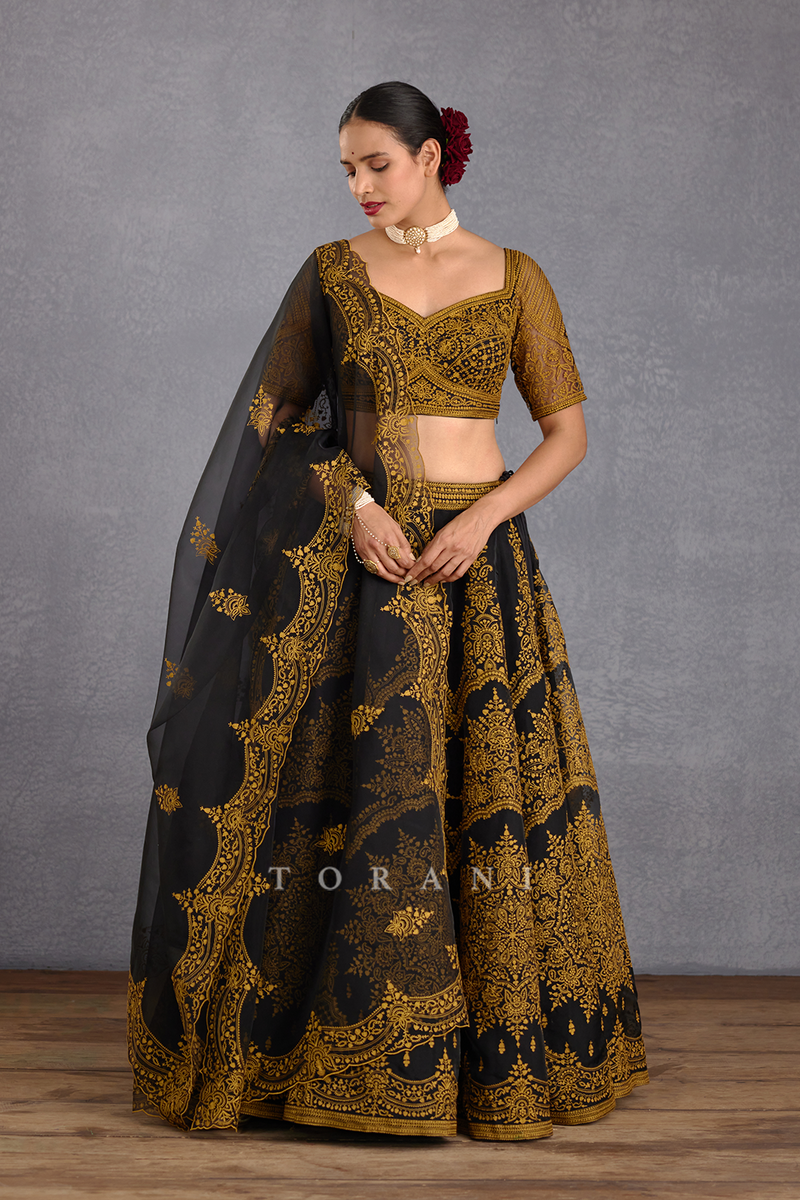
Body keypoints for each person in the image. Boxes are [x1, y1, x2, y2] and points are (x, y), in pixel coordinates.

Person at [128, 81, 648, 1141]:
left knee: (479, 794)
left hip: (474, 567)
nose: (360, 186)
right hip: (362, 567)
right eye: (347, 170)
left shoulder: (513, 276)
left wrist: (486, 517)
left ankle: (481, 1071)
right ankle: (316, 1058)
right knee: (341, 797)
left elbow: (565, 433)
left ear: (430, 157)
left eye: (376, 164)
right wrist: (356, 505)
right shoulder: (332, 273)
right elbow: (278, 419)